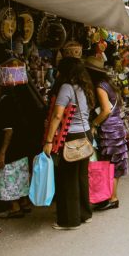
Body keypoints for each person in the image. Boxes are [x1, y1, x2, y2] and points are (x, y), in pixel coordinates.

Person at [43, 57, 94, 230]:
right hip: (85, 134)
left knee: (67, 178)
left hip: (71, 136)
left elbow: (57, 115)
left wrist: (49, 140)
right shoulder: (84, 87)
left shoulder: (67, 87)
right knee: (81, 176)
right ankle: (85, 214)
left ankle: (70, 220)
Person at [85, 56, 128, 211]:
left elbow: (106, 110)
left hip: (109, 130)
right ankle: (111, 197)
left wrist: (94, 124)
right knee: (115, 163)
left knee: (109, 163)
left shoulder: (99, 86)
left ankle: (111, 198)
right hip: (117, 127)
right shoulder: (109, 84)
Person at [0, 80, 32, 219]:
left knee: (9, 177)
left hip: (11, 150)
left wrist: (2, 153)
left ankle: (15, 207)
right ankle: (24, 202)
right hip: (20, 148)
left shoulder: (4, 104)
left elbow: (8, 131)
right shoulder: (13, 101)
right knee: (20, 176)